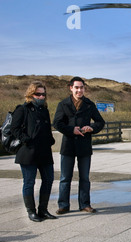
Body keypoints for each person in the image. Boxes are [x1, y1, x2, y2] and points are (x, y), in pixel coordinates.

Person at [53, 77, 105, 214]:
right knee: (65, 178)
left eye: (81, 87)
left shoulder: (89, 104)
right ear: (71, 88)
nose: (79, 90)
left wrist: (91, 128)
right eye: (76, 87)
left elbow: (100, 122)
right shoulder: (63, 104)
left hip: (84, 145)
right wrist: (71, 130)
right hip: (68, 145)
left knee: (85, 177)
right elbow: (57, 123)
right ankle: (63, 205)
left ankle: (85, 204)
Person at [11, 81, 57, 222]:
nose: (41, 96)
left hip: (44, 152)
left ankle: (43, 210)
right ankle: (31, 212)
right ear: (31, 94)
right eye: (38, 94)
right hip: (28, 152)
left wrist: (50, 140)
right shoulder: (22, 109)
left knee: (48, 180)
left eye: (43, 94)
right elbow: (14, 128)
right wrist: (27, 140)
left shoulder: (45, 110)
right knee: (29, 182)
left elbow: (47, 129)